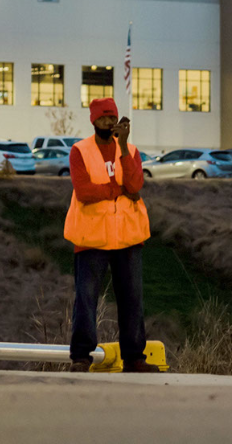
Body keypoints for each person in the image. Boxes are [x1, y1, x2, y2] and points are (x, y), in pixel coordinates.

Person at [65, 97, 160, 373]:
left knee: (132, 298)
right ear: (93, 120)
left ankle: (134, 358)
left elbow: (134, 183)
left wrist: (122, 148)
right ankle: (81, 356)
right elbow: (84, 192)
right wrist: (115, 190)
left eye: (112, 117)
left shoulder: (129, 149)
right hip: (92, 237)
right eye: (103, 117)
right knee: (86, 297)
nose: (108, 121)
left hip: (127, 236)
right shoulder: (79, 151)